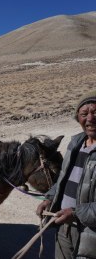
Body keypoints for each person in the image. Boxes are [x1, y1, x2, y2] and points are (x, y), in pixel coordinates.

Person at [36, 90, 96, 259]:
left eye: (95, 112)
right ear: (78, 118)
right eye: (84, 114)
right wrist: (49, 199)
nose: (90, 119)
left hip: (91, 234)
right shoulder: (75, 144)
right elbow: (64, 180)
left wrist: (76, 213)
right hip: (65, 228)